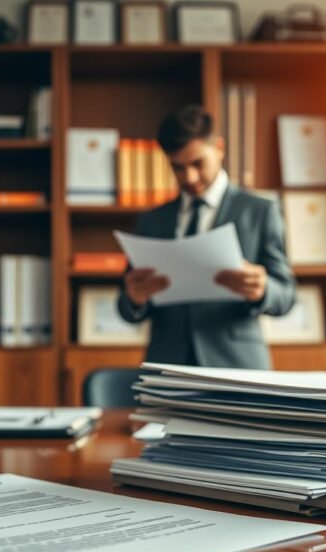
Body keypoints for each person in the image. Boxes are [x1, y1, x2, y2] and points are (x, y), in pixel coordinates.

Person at [117, 104, 296, 369]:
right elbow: (125, 307)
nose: (189, 177)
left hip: (238, 367)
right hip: (169, 366)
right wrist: (133, 298)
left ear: (219, 148)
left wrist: (263, 289)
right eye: (177, 168)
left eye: (197, 163)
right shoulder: (152, 220)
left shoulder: (260, 211)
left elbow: (287, 295)